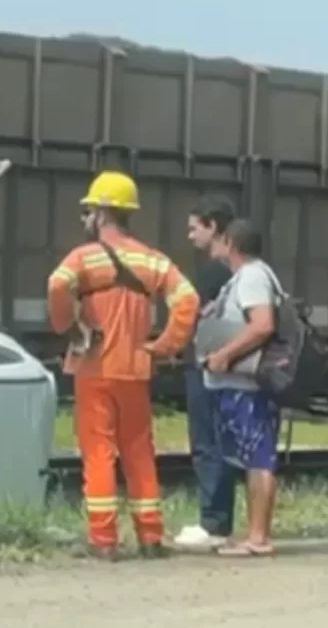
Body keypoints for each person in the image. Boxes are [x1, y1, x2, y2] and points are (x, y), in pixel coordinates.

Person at [47, 169, 199, 560]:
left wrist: (70, 326)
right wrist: (165, 345)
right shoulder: (152, 260)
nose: (84, 220)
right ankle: (150, 537)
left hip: (94, 371)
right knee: (139, 452)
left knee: (98, 453)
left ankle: (104, 540)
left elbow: (56, 285)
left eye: (87, 212)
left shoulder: (84, 257)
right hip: (135, 370)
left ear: (101, 213)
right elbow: (188, 300)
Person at [198, 218, 281, 557]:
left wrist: (223, 355)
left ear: (230, 243)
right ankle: (254, 533)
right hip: (237, 386)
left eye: (220, 240)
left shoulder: (252, 276)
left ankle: (258, 537)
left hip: (246, 387)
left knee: (258, 457)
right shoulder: (249, 277)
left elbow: (262, 325)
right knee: (251, 456)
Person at [173, 196, 237, 550]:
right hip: (219, 366)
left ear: (213, 226)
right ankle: (218, 521)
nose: (190, 235)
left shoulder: (213, 271)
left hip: (205, 365)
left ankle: (212, 523)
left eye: (194, 227)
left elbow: (193, 315)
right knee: (219, 442)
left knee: (206, 443)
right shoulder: (233, 269)